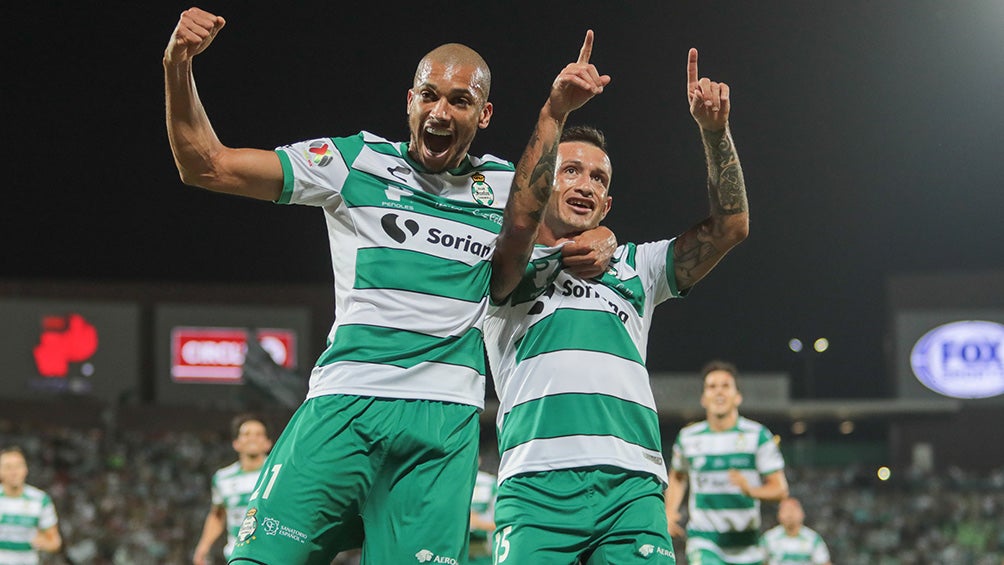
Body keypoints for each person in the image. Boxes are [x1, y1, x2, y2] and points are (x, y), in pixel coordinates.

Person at [164, 8, 610, 564]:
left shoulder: (503, 186)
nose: (440, 111)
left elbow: (569, 226)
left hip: (442, 422)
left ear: (485, 113)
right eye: (430, 95)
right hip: (347, 401)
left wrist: (606, 234)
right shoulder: (354, 162)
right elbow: (207, 165)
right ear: (410, 101)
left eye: (459, 100)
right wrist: (178, 63)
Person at [483, 48, 749, 564]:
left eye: (598, 180)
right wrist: (556, 112)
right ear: (543, 185)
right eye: (571, 171)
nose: (585, 184)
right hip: (535, 487)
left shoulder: (638, 267)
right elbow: (519, 222)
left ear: (607, 205)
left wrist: (714, 134)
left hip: (632, 488)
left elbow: (731, 228)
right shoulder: (506, 263)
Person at [666, 361, 790, 565]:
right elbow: (678, 476)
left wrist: (750, 490)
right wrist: (669, 511)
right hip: (704, 540)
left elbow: (780, 490)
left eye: (725, 386)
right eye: (712, 387)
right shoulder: (688, 438)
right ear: (703, 398)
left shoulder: (757, 435)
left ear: (737, 396)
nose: (718, 392)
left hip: (747, 544)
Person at [193, 415, 274, 565]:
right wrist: (203, 547)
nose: (252, 438)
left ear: (268, 443)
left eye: (258, 434)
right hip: (236, 556)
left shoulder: (278, 473)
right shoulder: (222, 478)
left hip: (271, 554)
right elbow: (218, 514)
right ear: (236, 443)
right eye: (246, 434)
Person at [0, 447, 61, 565]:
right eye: (8, 467)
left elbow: (55, 542)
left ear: (25, 469)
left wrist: (43, 542)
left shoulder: (40, 500)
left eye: (18, 466)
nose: (14, 472)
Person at [761, 498, 831, 565]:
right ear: (779, 515)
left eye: (793, 510)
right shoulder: (769, 538)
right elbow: (759, 561)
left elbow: (824, 562)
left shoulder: (813, 539)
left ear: (802, 514)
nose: (789, 515)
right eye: (785, 510)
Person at [468, 459, 498, 565]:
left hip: (484, 552)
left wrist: (476, 522)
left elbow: (502, 523)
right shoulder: (452, 483)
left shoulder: (490, 483)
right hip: (460, 552)